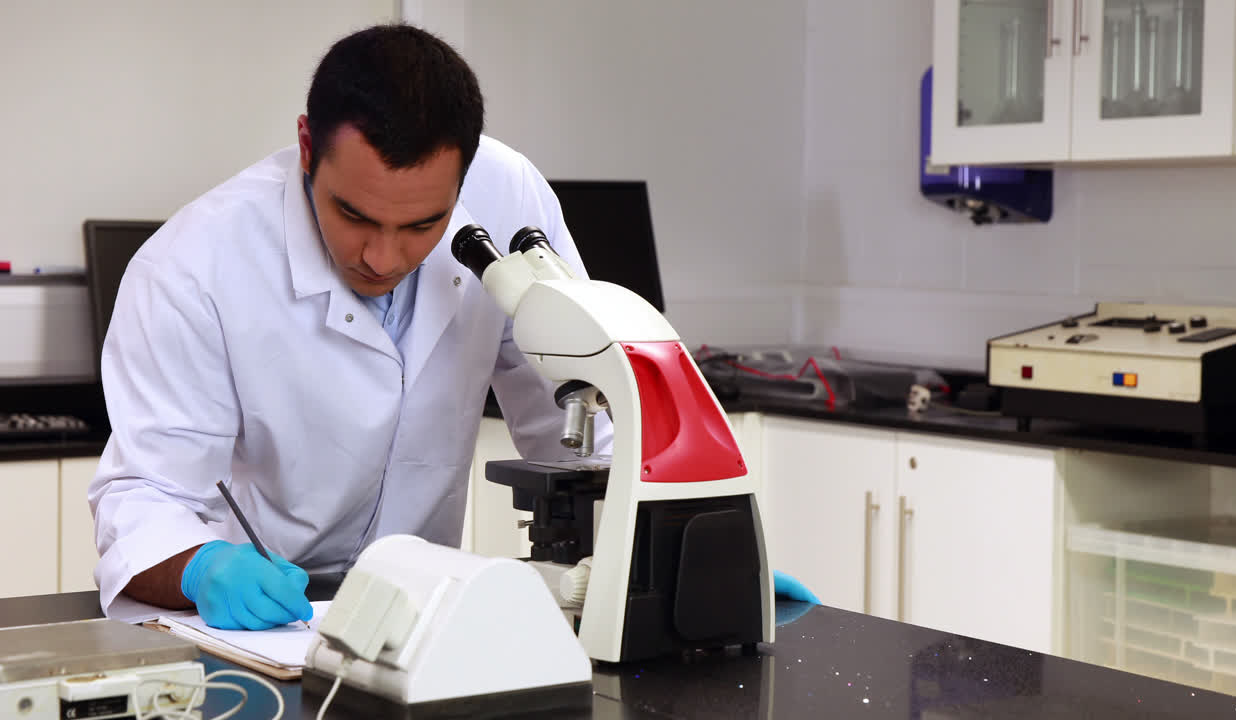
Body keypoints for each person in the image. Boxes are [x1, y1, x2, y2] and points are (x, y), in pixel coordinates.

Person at [89, 23, 813, 631]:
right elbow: (143, 501)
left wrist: (685, 552)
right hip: (259, 624)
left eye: (422, 226)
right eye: (353, 215)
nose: (382, 256)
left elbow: (586, 412)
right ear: (307, 146)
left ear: (463, 178)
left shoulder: (508, 194)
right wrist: (203, 568)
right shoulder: (193, 268)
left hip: (421, 619)